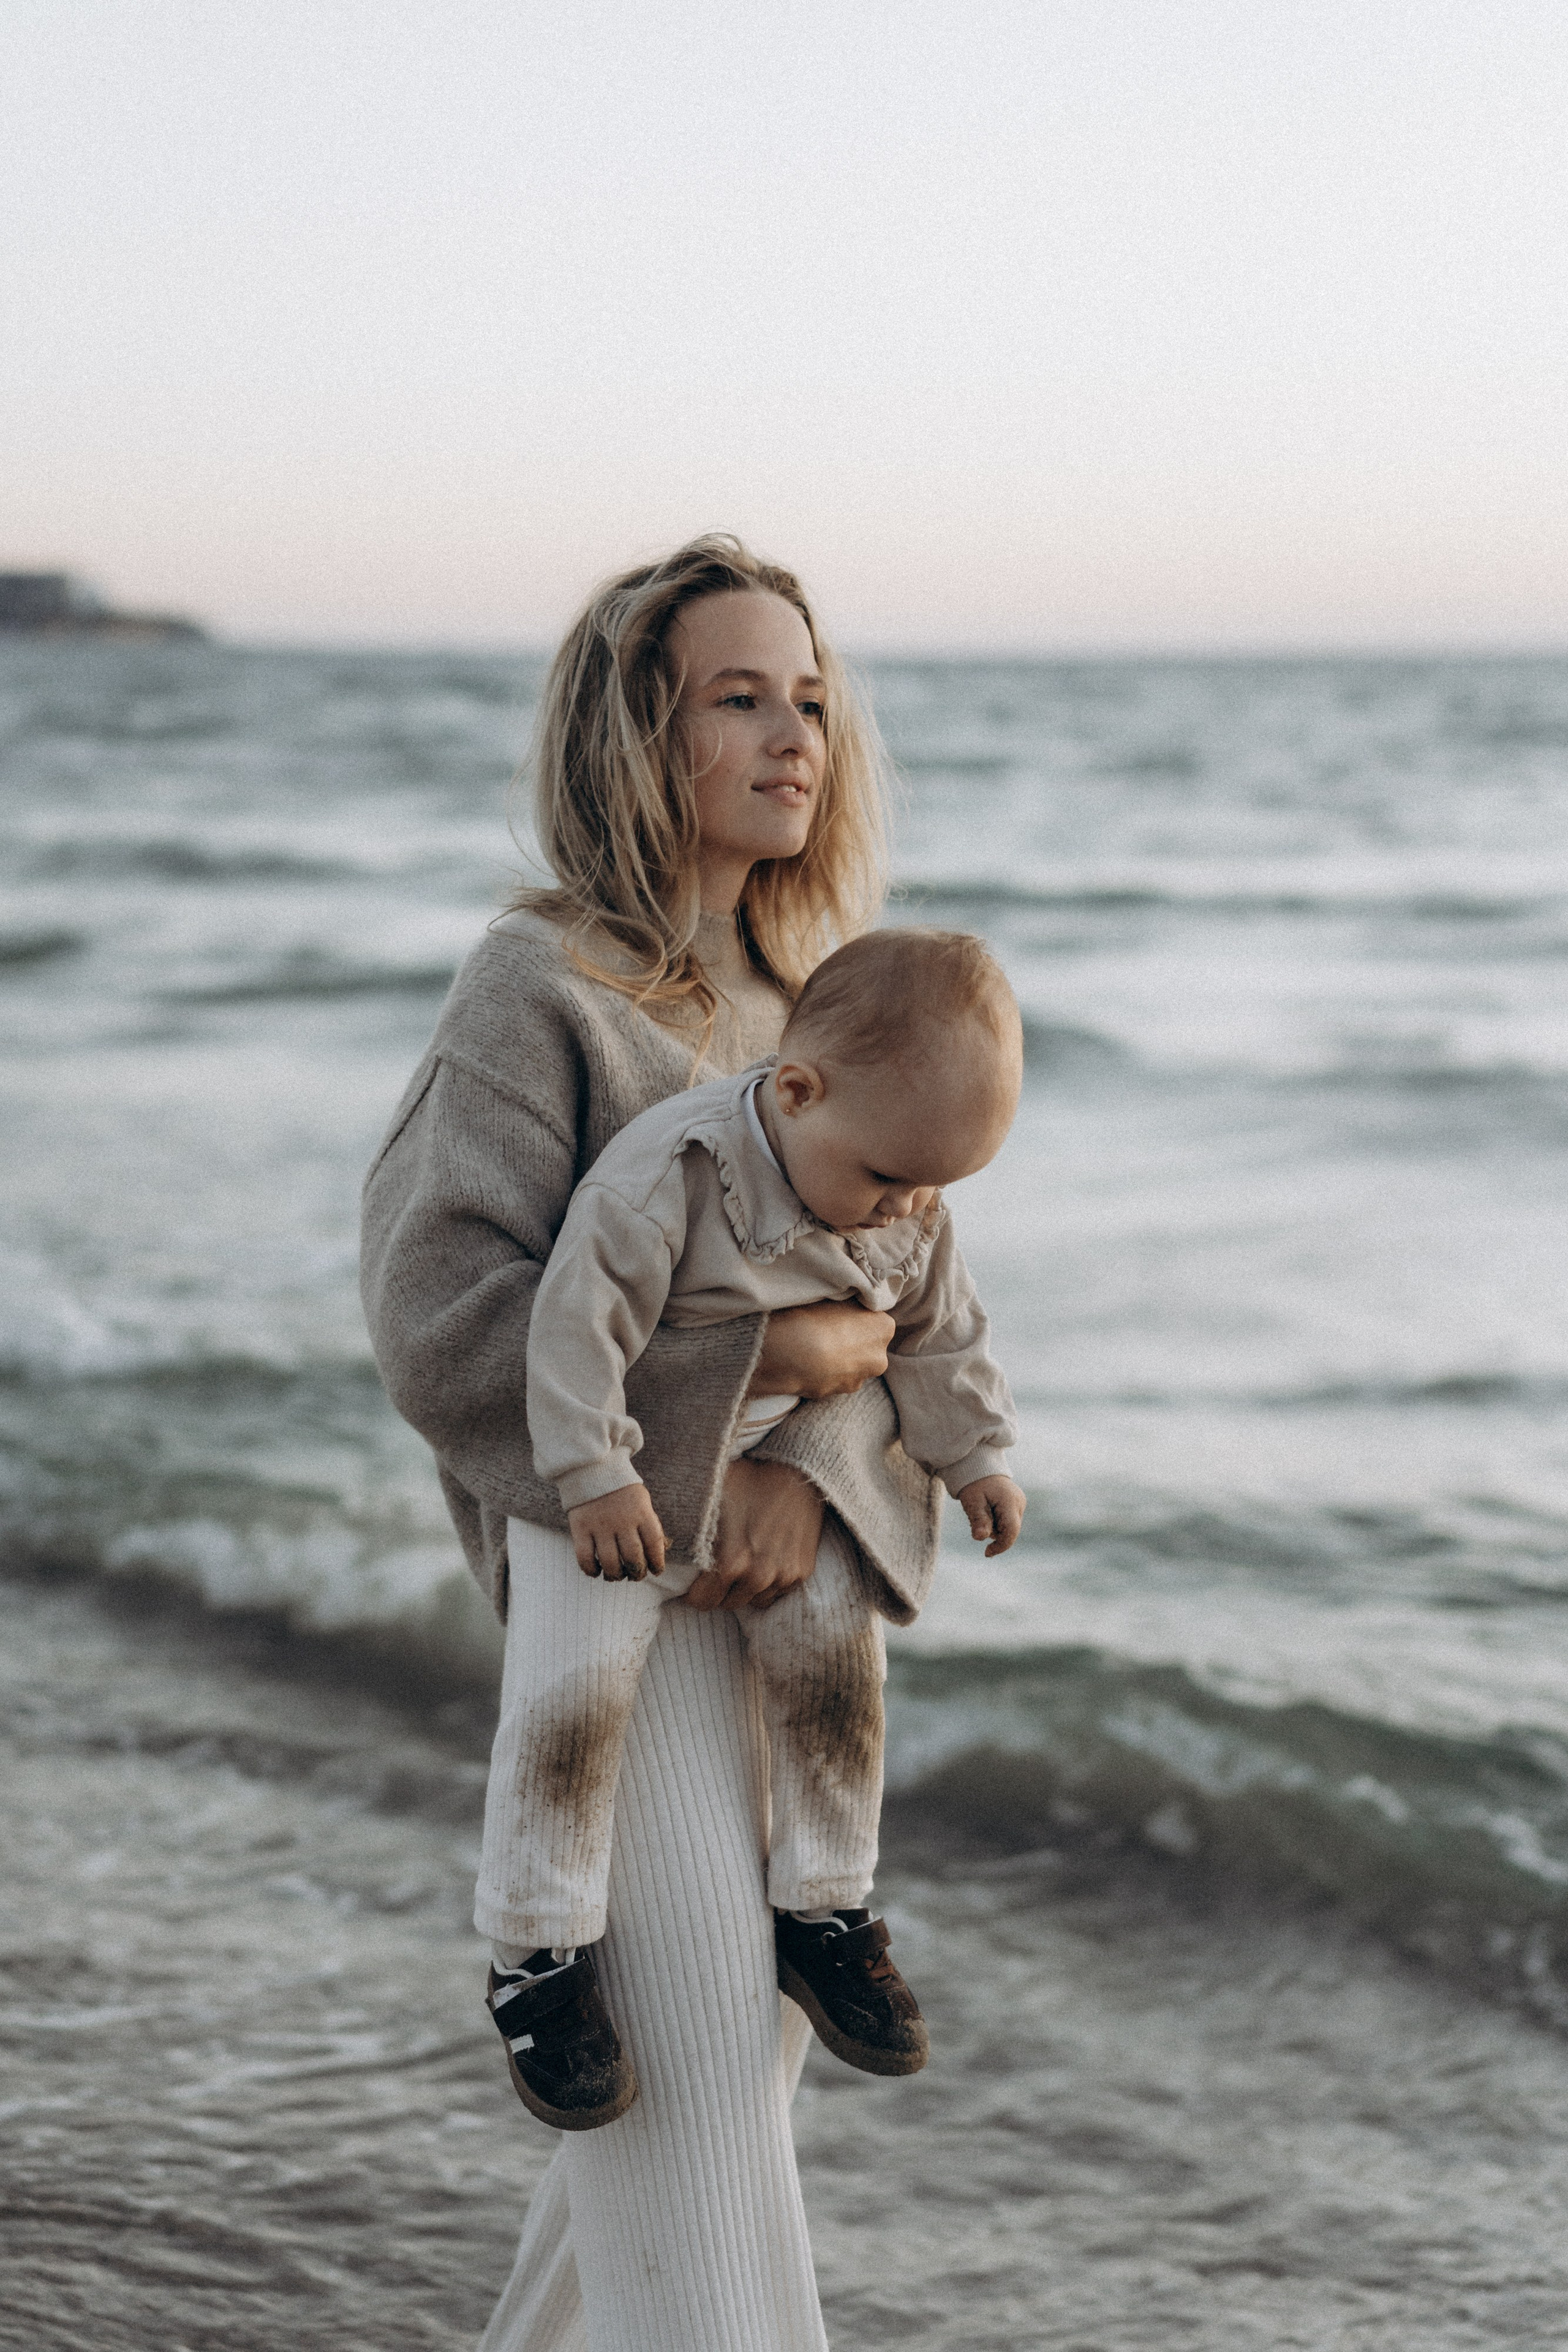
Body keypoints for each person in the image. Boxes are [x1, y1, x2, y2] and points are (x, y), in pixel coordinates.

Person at [360, 535, 991, 2352]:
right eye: (739, 698)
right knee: (701, 2113)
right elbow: (442, 1319)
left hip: (785, 1632)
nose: (794, 737)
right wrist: (750, 1372)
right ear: (639, 732)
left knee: (699, 2108)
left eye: (810, 700)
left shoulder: (824, 998)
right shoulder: (540, 985)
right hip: (620, 1622)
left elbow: (907, 1305)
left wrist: (813, 1466)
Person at [479, 929, 1027, 2130]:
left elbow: (939, 1331)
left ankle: (825, 1904)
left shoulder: (903, 1181)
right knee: (570, 1693)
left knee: (837, 1648)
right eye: (888, 1181)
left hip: (773, 1462)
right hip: (618, 1463)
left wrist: (976, 1457)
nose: (910, 1207)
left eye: (935, 1188)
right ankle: (535, 1954)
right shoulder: (668, 1176)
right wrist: (593, 1477)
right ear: (795, 1092)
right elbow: (571, 1331)